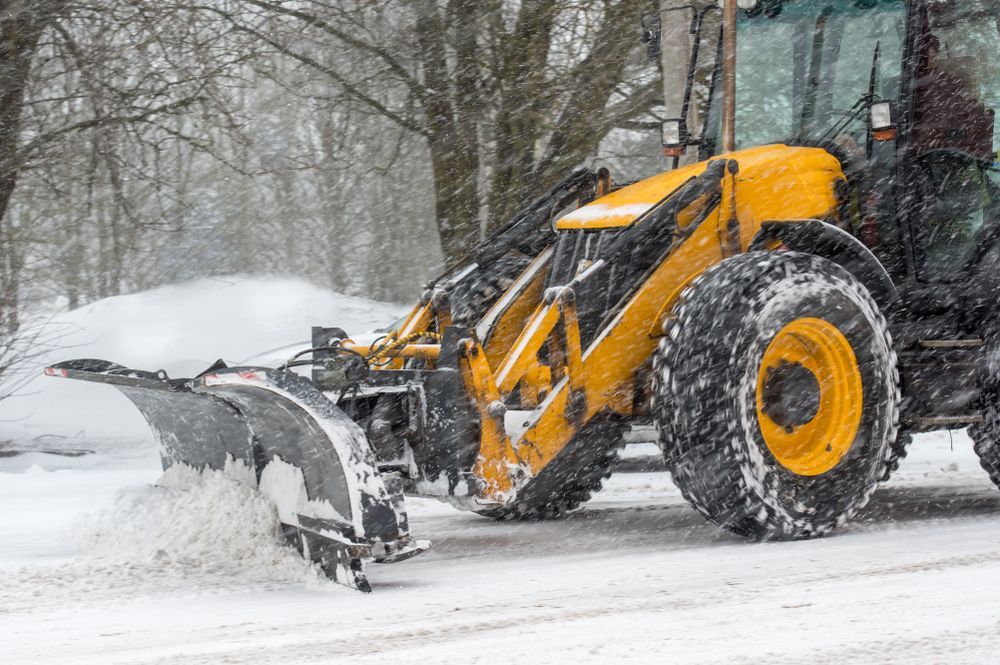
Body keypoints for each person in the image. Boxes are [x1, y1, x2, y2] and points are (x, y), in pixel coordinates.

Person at [911, 33, 994, 161]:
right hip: (921, 147)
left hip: (948, 143)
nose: (930, 55)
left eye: (933, 51)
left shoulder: (948, 80)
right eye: (925, 52)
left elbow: (962, 107)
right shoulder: (907, 88)